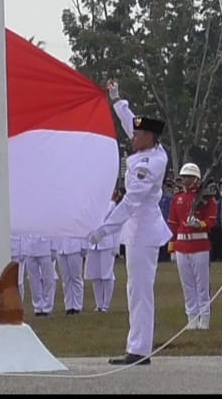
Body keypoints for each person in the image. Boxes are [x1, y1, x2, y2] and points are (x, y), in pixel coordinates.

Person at [87, 81, 172, 366]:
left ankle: (139, 349)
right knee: (136, 288)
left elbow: (130, 203)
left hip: (142, 228)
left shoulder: (149, 164)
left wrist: (103, 229)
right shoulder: (150, 150)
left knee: (140, 290)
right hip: (138, 227)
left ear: (149, 137)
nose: (132, 137)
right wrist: (117, 100)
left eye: (137, 134)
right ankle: (138, 346)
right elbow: (129, 122)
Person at [167, 163, 217, 330]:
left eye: (188, 177)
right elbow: (173, 226)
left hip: (200, 244)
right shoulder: (178, 198)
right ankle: (192, 317)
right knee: (187, 284)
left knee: (202, 285)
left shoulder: (207, 198)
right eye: (184, 177)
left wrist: (200, 224)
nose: (185, 180)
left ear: (196, 178)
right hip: (182, 244)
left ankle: (205, 317)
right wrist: (172, 248)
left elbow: (211, 221)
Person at [86, 190, 122, 312]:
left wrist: (116, 246)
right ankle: (99, 304)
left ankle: (106, 304)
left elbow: (117, 228)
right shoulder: (92, 205)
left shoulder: (112, 206)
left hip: (107, 243)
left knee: (106, 274)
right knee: (95, 275)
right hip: (93, 244)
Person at [54, 232, 87, 315]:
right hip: (61, 248)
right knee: (66, 279)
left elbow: (81, 229)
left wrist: (84, 246)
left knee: (76, 278)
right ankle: (69, 306)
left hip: (74, 247)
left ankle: (77, 306)